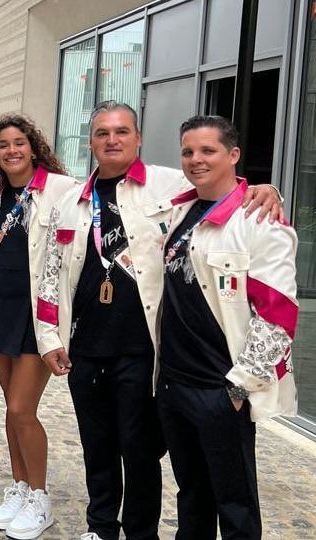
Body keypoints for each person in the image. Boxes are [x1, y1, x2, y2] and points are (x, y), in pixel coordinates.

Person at [35, 101, 283, 540]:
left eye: (122, 132)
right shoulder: (71, 200)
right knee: (99, 448)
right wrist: (48, 336)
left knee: (141, 453)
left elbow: (225, 191)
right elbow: (49, 273)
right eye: (102, 133)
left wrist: (267, 190)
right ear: (90, 142)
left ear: (138, 138)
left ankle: (140, 533)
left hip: (146, 352)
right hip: (87, 347)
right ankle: (100, 527)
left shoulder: (172, 186)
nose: (112, 140)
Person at [157, 115, 297, 540]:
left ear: (233, 155)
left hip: (220, 388)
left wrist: (238, 389)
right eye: (187, 151)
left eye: (208, 151)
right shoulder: (178, 207)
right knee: (191, 494)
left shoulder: (260, 221)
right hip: (174, 382)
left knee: (234, 504)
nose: (196, 160)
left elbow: (278, 316)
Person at [0, 114, 79, 538]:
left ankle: (40, 497)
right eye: (3, 145)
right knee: (10, 409)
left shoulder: (63, 190)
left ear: (34, 148)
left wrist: (257, 186)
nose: (12, 150)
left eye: (19, 143)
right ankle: (18, 487)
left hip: (40, 315)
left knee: (21, 409)